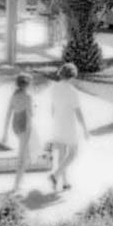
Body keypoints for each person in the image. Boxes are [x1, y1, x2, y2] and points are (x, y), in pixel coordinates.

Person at [49, 62, 89, 192]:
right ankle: (55, 176)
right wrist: (85, 129)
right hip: (69, 126)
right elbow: (78, 113)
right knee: (72, 154)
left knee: (62, 155)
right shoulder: (72, 92)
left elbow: (53, 108)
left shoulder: (54, 88)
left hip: (57, 124)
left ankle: (64, 183)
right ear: (72, 76)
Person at [2, 74, 35, 193]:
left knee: (25, 154)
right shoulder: (28, 97)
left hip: (15, 125)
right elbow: (31, 115)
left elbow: (8, 114)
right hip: (24, 125)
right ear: (28, 85)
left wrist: (5, 133)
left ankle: (19, 181)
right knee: (22, 157)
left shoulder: (14, 96)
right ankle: (16, 185)